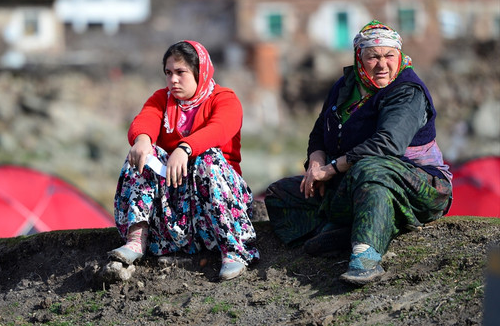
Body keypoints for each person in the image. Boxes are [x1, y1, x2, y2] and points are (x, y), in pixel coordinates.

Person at [264, 20, 453, 285]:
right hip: (352, 182)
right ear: (359, 58)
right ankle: (342, 231)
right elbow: (321, 130)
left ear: (399, 56)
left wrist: (331, 169)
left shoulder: (407, 91)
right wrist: (316, 162)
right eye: (372, 56)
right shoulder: (346, 86)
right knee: (279, 194)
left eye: (389, 55)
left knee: (370, 169)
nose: (382, 64)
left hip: (417, 186)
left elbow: (388, 144)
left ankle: (366, 257)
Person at [108, 40, 259, 280]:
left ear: (199, 72)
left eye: (181, 72)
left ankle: (233, 250)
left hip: (218, 198)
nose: (173, 80)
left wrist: (185, 148)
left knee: (206, 158)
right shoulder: (162, 99)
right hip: (176, 200)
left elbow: (219, 129)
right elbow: (145, 119)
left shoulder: (225, 99)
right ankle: (137, 238)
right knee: (143, 154)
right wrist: (143, 139)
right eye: (168, 73)